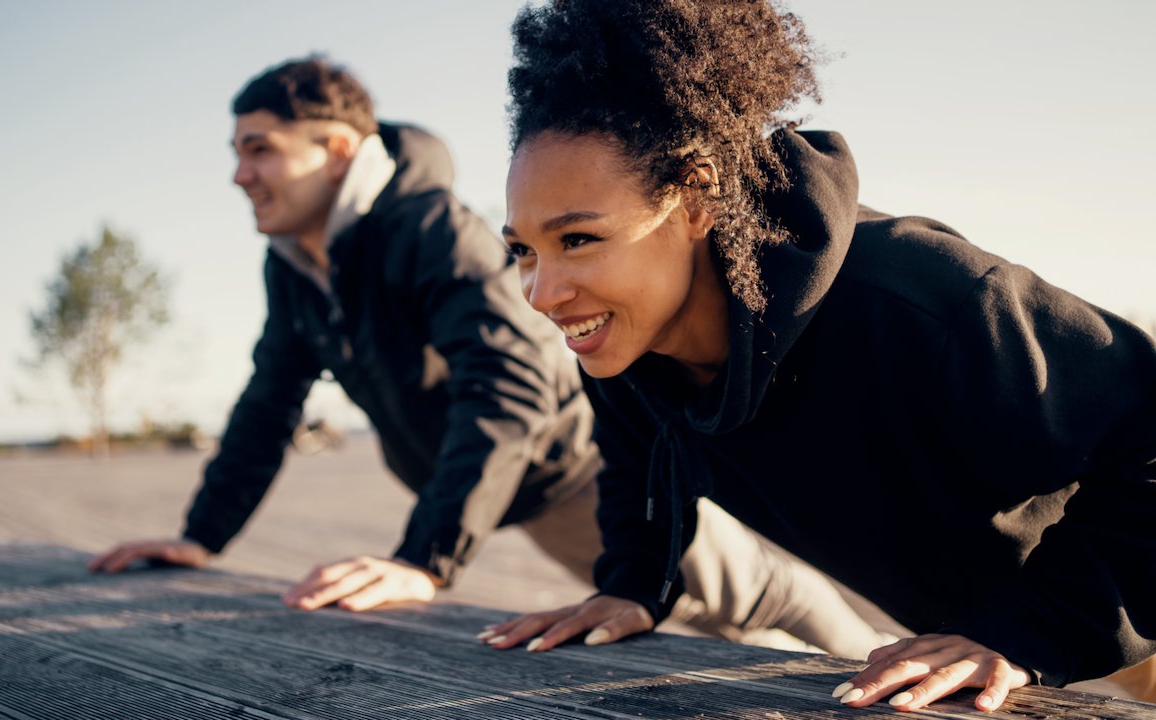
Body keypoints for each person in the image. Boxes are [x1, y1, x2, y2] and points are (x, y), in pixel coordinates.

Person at [87, 55, 888, 658]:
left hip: (570, 469)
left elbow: (509, 384)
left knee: (739, 598)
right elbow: (271, 399)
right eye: (236, 151)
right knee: (667, 615)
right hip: (491, 491)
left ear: (335, 149)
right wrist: (203, 535)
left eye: (259, 149)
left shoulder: (430, 229)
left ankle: (869, 662)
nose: (239, 174)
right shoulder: (297, 263)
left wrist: (424, 561)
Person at [485, 0, 1156, 713]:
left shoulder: (922, 299)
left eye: (579, 239)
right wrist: (633, 582)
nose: (542, 292)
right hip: (987, 644)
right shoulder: (628, 346)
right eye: (522, 251)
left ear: (695, 200)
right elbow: (641, 460)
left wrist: (1034, 629)